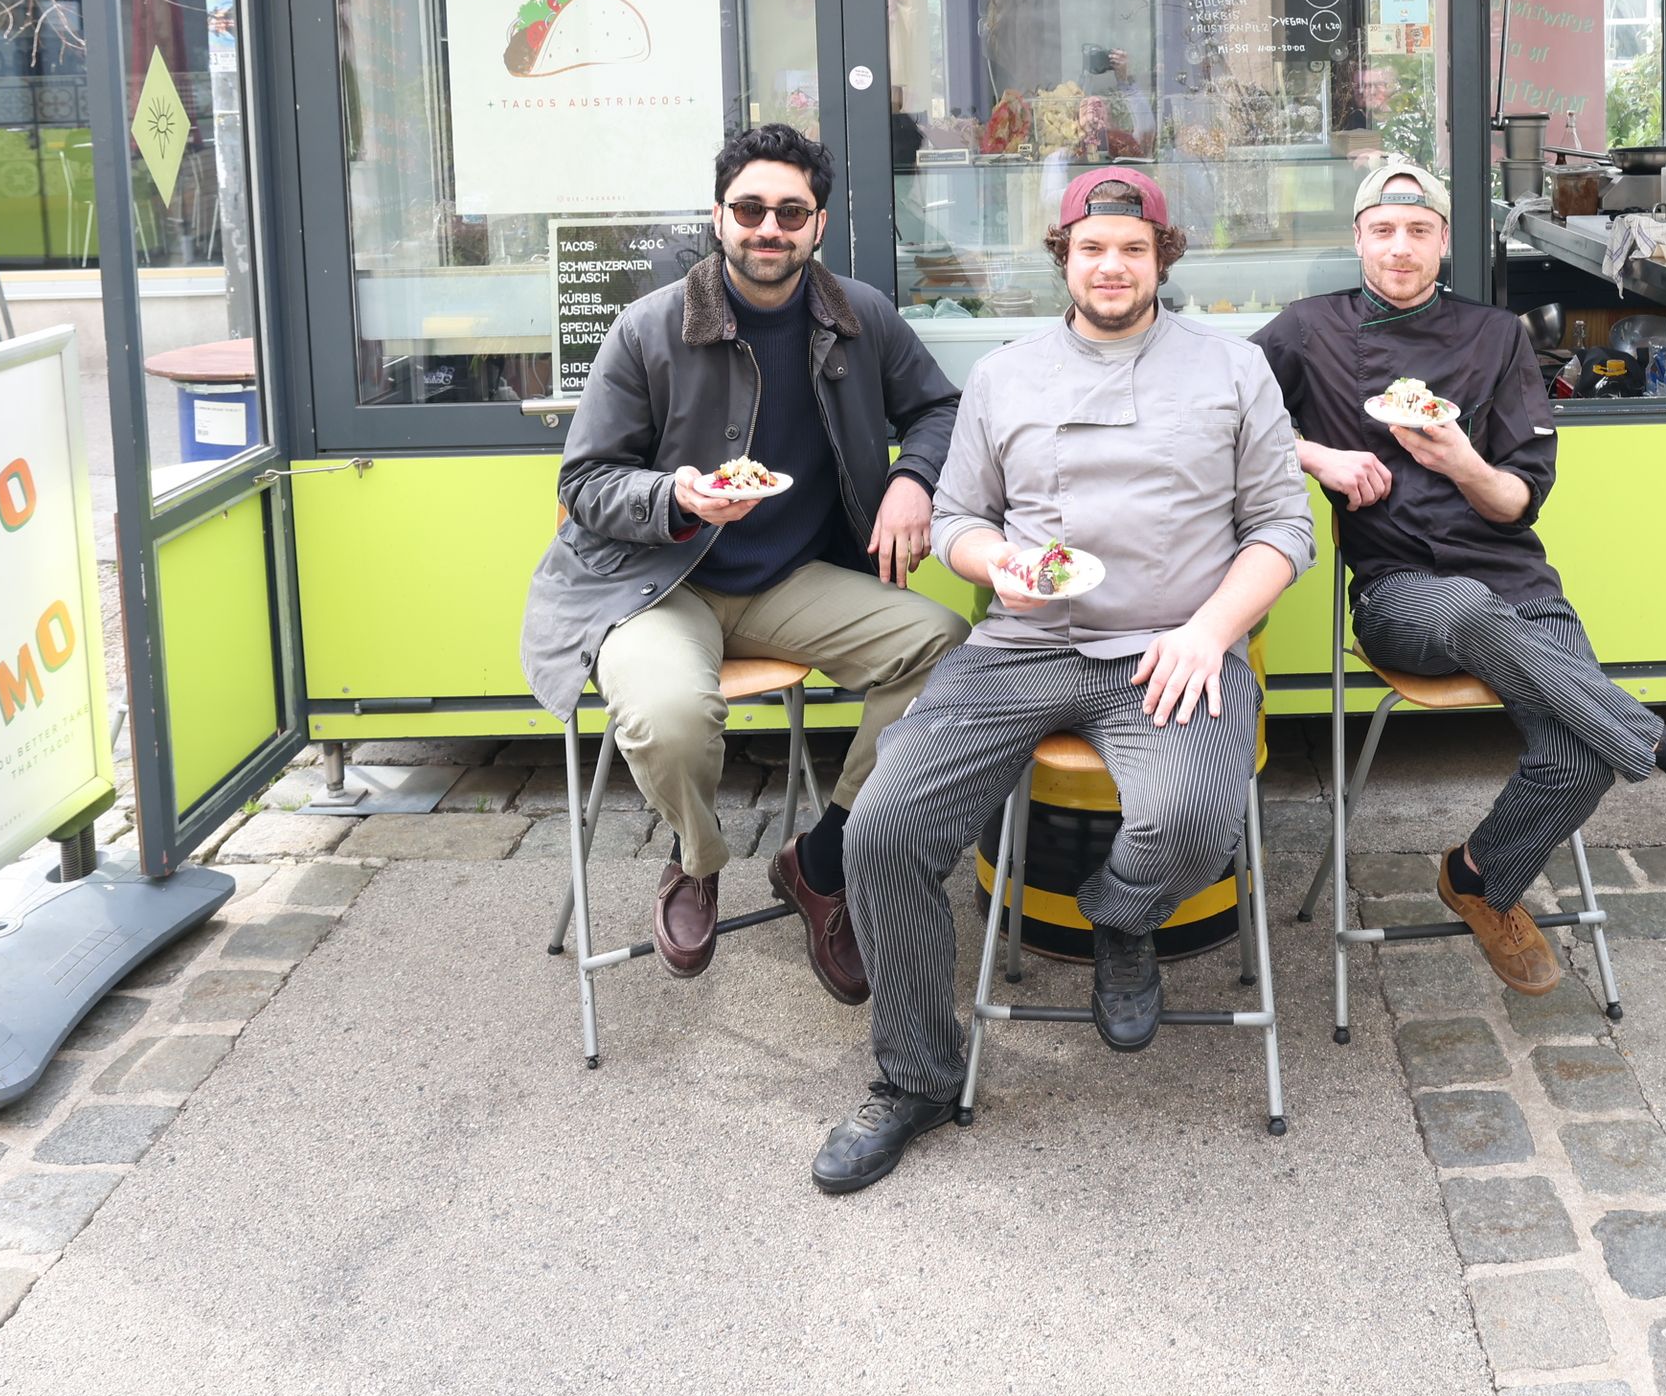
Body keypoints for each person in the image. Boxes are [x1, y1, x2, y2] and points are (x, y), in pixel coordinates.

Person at [812, 167, 1317, 1196]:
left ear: (1160, 260)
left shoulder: (1232, 370)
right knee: (882, 827)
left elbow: (1282, 528)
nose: (1112, 265)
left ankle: (1121, 917)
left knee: (1188, 824)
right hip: (1020, 646)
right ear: (1065, 259)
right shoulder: (1006, 374)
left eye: (1132, 249)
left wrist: (1211, 629)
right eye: (1093, 249)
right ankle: (913, 1077)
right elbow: (953, 521)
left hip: (1172, 649)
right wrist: (991, 563)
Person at [1255, 156, 1666, 995]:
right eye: (1382, 231)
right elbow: (1217, 413)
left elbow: (1517, 503)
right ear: (1357, 238)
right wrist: (1317, 454)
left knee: (1579, 754)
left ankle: (1477, 877)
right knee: (1470, 609)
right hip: (1401, 590)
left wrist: (1464, 459)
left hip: (1517, 579)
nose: (1399, 249)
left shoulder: (1496, 336)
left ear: (1444, 241)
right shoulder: (1308, 329)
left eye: (1418, 231)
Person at [517, 125, 970, 1002]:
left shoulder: (861, 314)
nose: (769, 227)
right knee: (673, 715)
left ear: (818, 223)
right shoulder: (649, 327)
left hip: (792, 578)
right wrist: (676, 497)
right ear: (717, 216)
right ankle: (697, 860)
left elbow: (941, 409)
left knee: (948, 648)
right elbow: (582, 482)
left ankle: (826, 862)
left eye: (789, 211)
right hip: (654, 582)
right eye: (750, 208)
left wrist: (914, 479)